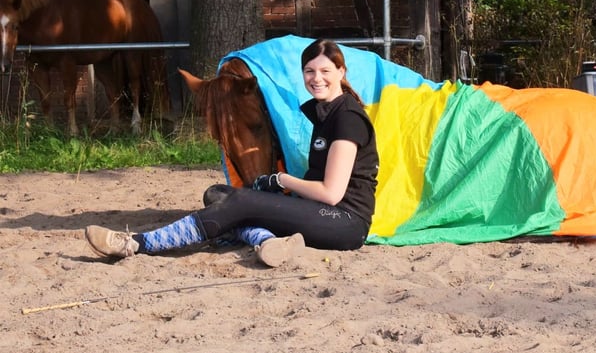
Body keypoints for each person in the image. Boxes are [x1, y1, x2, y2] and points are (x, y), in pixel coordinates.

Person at [85, 38, 380, 267]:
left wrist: (280, 180)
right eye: (309, 71)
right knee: (217, 194)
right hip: (323, 213)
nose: (317, 78)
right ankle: (268, 242)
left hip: (345, 222)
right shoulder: (327, 112)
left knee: (239, 201)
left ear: (341, 72)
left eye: (326, 71)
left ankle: (138, 243)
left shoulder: (347, 119)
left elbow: (331, 193)